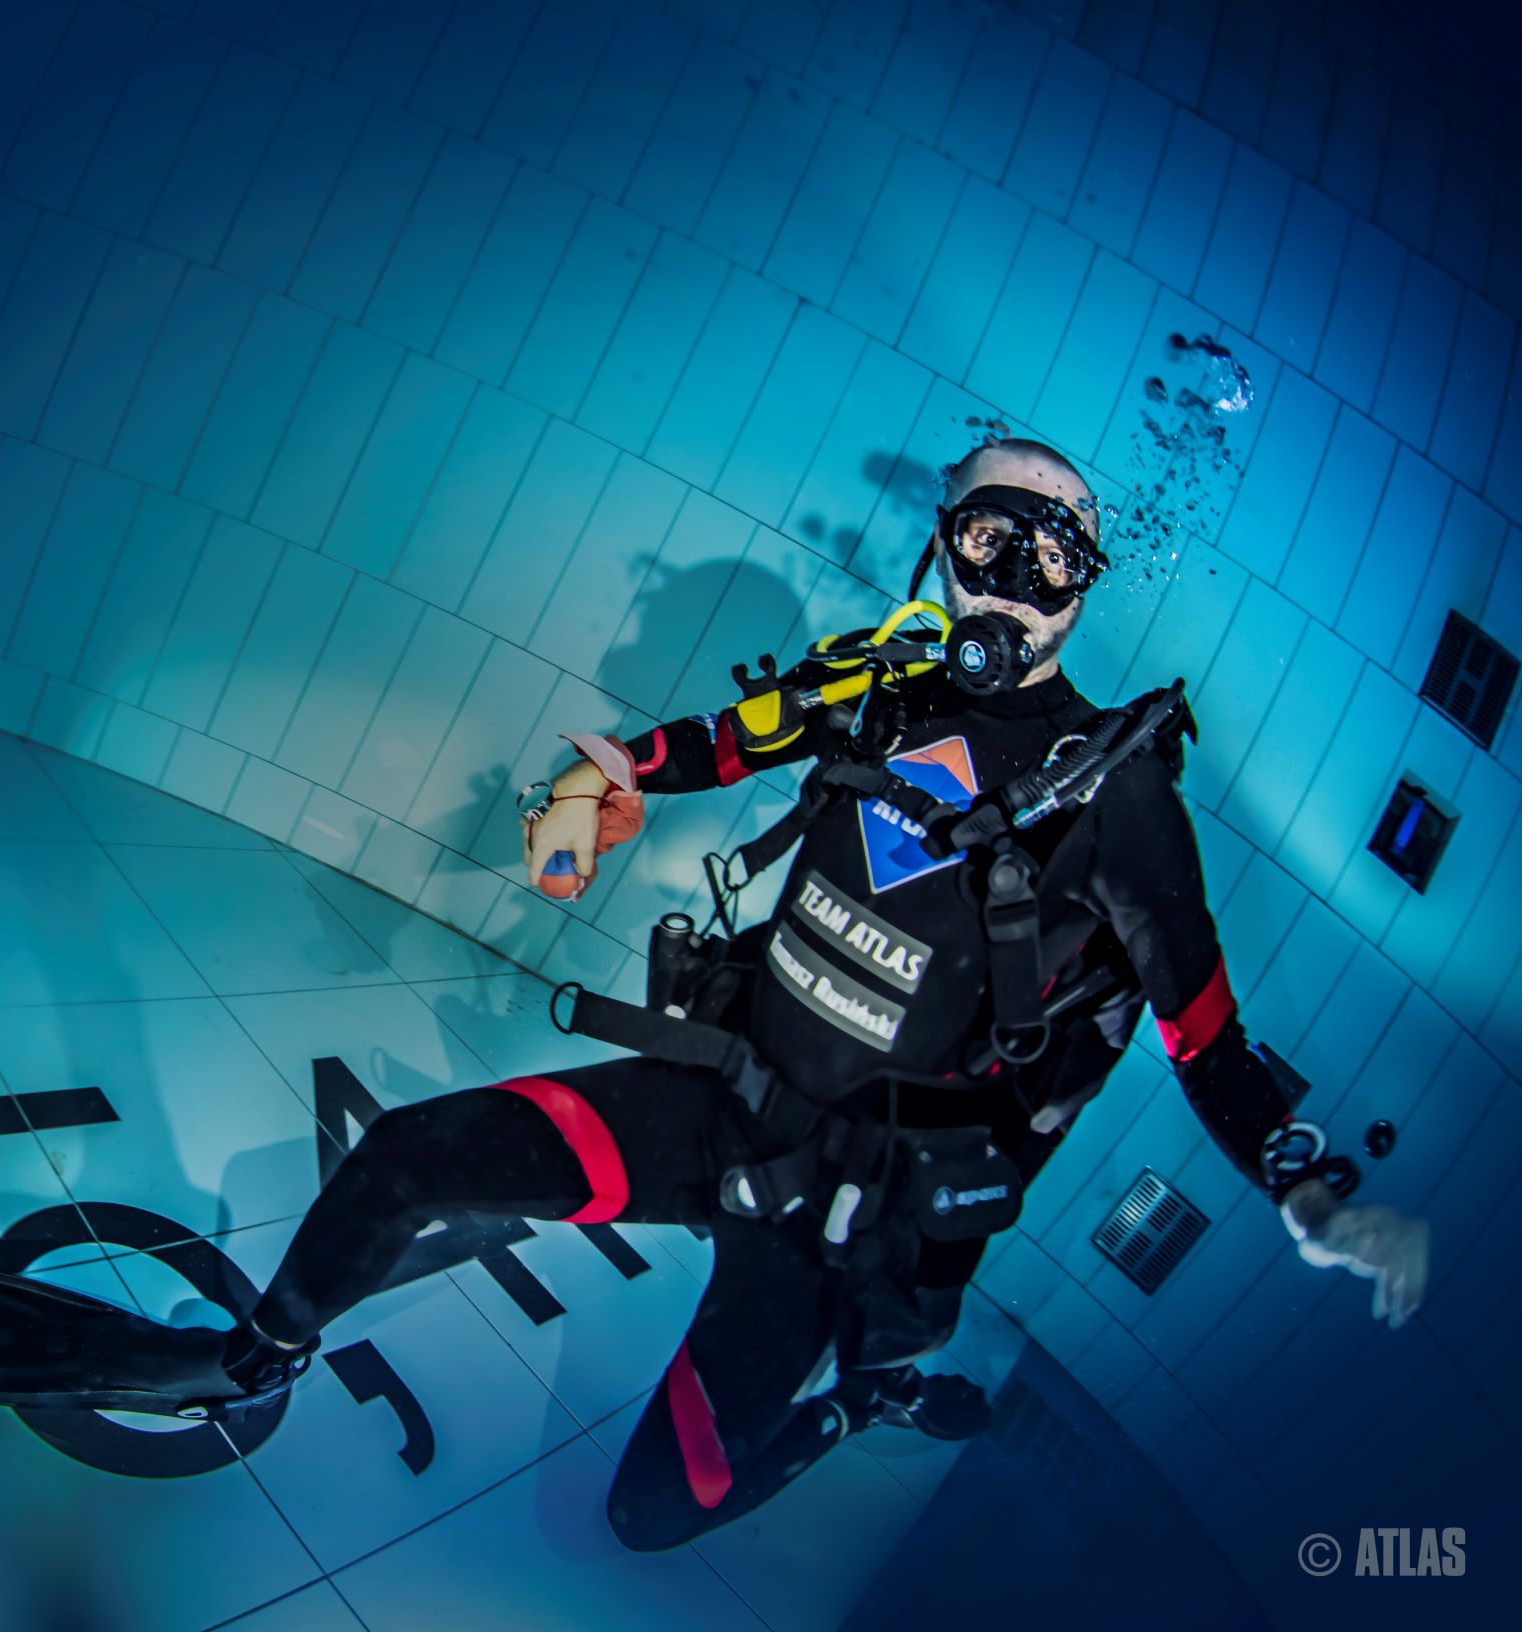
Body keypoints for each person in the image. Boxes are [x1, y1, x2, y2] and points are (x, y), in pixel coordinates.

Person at [205, 435, 1431, 1551]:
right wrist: (598, 779)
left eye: (1053, 558)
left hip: (845, 1210)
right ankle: (258, 1356)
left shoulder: (1118, 794)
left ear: (1083, 587)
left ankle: (860, 1403)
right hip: (720, 1100)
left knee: (650, 1512)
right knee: (402, 1158)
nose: (1014, 580)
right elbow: (723, 739)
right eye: (988, 537)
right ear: (942, 542)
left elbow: (1206, 1038)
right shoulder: (875, 682)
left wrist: (1305, 1190)